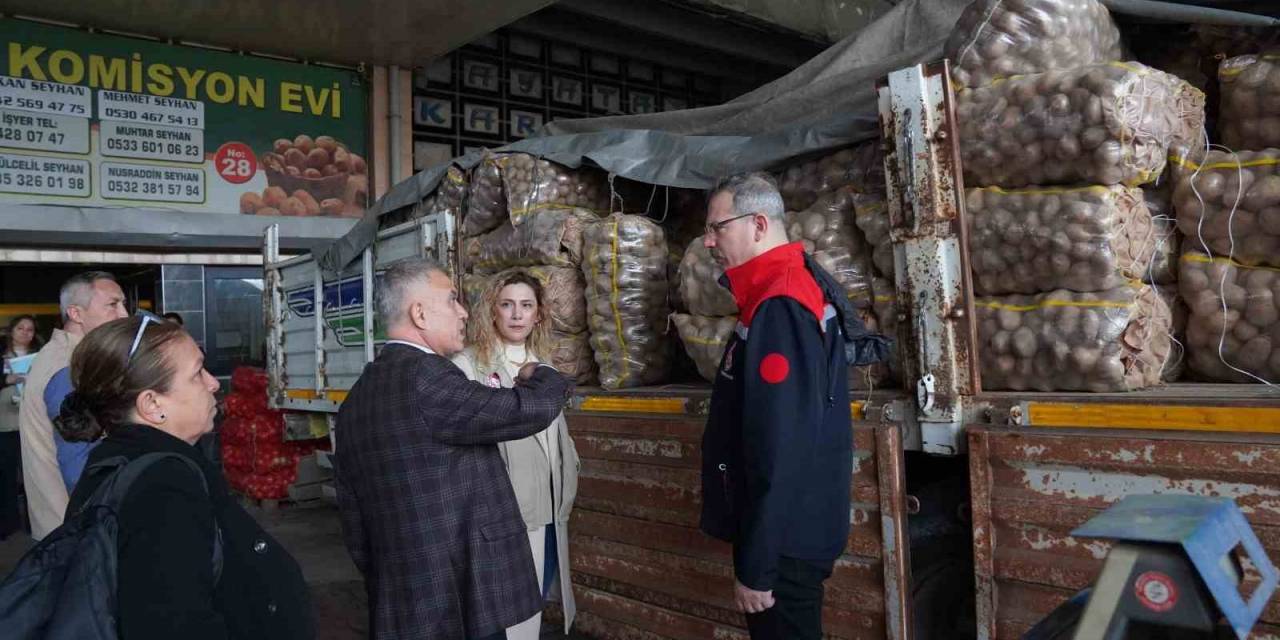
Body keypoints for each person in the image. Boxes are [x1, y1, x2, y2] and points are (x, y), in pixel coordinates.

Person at [335, 258, 574, 640]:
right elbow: (528, 409)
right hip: (457, 605)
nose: (463, 311)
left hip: (404, 604)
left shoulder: (357, 399)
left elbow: (354, 524)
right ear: (419, 313)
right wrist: (540, 373)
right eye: (451, 301)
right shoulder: (426, 378)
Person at [698, 173, 891, 640]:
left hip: (784, 542)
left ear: (758, 224)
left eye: (717, 227)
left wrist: (759, 564)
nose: (708, 242)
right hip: (792, 529)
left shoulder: (781, 303)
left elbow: (781, 444)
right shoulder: (784, 288)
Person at [57, 315, 314, 639]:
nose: (213, 383)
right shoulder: (163, 489)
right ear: (153, 405)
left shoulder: (119, 460)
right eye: (197, 374)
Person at [452, 270, 581, 639]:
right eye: (507, 305)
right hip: (502, 513)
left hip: (550, 509)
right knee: (502, 614)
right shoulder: (467, 366)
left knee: (533, 605)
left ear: (539, 313)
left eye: (526, 306)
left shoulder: (545, 366)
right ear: (492, 311)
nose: (517, 315)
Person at [19, 271, 128, 539]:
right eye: (113, 305)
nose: (124, 315)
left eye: (123, 304)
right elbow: (80, 466)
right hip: (77, 528)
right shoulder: (70, 368)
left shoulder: (64, 356)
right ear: (76, 314)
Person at [1, 315, 43, 538]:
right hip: (5, 423)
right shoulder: (2, 355)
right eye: (21, 328)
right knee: (6, 476)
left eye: (30, 329)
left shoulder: (40, 356)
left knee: (32, 475)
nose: (25, 333)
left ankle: (31, 524)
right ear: (11, 330)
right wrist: (6, 380)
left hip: (30, 422)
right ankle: (8, 525)